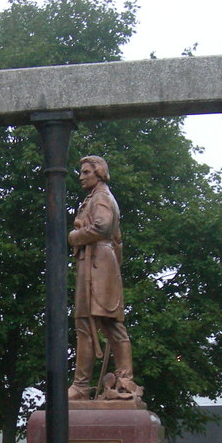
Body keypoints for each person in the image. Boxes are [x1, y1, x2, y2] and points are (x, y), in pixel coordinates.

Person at [67, 155, 142, 401]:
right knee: (89, 324)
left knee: (98, 324)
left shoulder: (101, 198)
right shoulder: (95, 198)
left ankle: (95, 383)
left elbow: (103, 227)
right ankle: (90, 383)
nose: (81, 176)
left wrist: (75, 236)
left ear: (98, 173)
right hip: (94, 261)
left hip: (98, 263)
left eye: (86, 172)